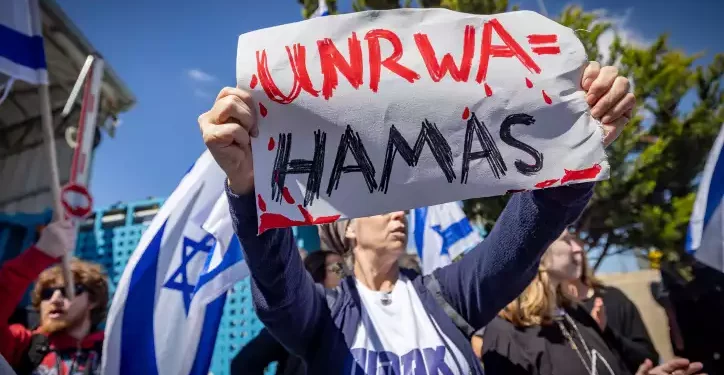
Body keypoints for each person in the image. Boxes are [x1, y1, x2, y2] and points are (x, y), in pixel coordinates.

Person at [198, 61, 635, 374]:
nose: (400, 210)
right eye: (380, 203)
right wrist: (250, 186)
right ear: (347, 228)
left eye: (400, 201)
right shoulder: (322, 317)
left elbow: (524, 238)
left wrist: (576, 149)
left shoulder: (450, 295)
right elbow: (276, 282)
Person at [482, 229, 705, 375]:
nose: (579, 248)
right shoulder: (504, 333)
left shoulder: (577, 314)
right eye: (567, 240)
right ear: (537, 254)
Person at [0, 220, 109, 375]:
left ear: (93, 300)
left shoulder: (115, 349)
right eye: (47, 294)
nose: (55, 299)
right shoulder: (22, 345)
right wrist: (40, 254)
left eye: (68, 291)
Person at [230, 250, 343, 375]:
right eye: (338, 268)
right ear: (318, 274)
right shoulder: (297, 320)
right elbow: (244, 363)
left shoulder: (350, 318)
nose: (347, 274)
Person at [567, 239, 659, 373]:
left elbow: (649, 358)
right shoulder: (552, 313)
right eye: (565, 242)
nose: (577, 249)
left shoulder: (614, 297)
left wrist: (607, 332)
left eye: (575, 240)